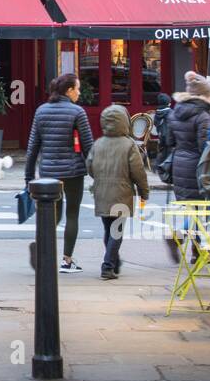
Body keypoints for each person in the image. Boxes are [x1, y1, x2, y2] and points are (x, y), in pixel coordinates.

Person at [24, 72, 95, 274]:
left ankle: (41, 248)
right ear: (69, 90)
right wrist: (96, 174)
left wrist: (28, 177)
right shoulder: (77, 112)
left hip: (48, 171)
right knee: (72, 214)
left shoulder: (41, 111)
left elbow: (32, 147)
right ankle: (67, 260)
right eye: (77, 89)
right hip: (73, 170)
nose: (79, 93)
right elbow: (89, 147)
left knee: (50, 215)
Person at [86, 104, 150, 280]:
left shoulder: (98, 143)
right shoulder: (129, 145)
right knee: (117, 231)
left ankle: (114, 260)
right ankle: (108, 266)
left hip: (102, 191)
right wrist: (144, 191)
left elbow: (90, 166)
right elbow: (138, 171)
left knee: (109, 230)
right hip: (122, 192)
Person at [165, 71, 210, 262]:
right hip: (196, 165)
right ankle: (179, 236)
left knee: (192, 208)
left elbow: (169, 140)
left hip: (179, 162)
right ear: (204, 95)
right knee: (199, 208)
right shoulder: (202, 116)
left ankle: (195, 251)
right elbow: (204, 147)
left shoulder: (175, 112)